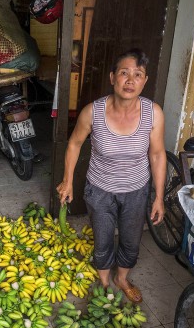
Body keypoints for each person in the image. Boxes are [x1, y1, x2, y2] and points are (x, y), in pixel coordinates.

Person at [56, 48, 166, 303]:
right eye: (124, 73)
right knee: (103, 238)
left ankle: (122, 279)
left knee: (130, 240)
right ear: (112, 77)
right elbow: (74, 144)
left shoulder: (153, 113)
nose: (130, 80)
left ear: (145, 81)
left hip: (136, 190)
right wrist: (68, 180)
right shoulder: (92, 112)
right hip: (100, 189)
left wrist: (158, 197)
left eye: (138, 74)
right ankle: (105, 281)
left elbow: (158, 155)